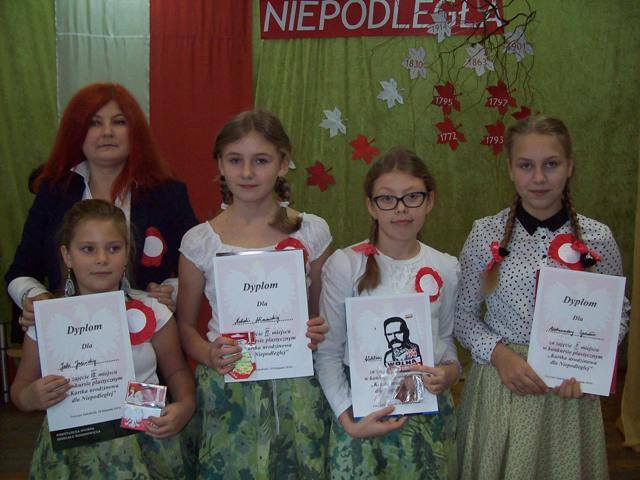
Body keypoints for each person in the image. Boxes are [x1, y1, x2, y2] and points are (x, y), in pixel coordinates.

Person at [454, 115, 630, 479]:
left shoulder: (597, 238)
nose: (538, 178)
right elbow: (462, 316)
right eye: (526, 166)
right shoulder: (485, 233)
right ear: (510, 169)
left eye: (551, 164)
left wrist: (589, 364)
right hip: (503, 386)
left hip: (568, 395)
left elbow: (618, 313)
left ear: (569, 167)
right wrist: (499, 355)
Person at [177, 109, 332, 478]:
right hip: (228, 387)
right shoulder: (200, 241)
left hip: (298, 387)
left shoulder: (312, 231)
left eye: (260, 160)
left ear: (283, 163)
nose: (247, 172)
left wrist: (317, 329)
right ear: (220, 164)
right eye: (235, 160)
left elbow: (320, 314)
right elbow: (184, 326)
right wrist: (208, 353)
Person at [10, 199, 195, 479]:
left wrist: (185, 404)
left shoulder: (153, 311)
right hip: (73, 442)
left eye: (113, 248)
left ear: (127, 253)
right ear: (67, 255)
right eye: (88, 249)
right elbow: (21, 387)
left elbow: (177, 371)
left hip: (145, 438)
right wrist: (31, 396)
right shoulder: (47, 319)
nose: (101, 259)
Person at [316, 147, 460, 478]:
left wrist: (451, 373)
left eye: (412, 196)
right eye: (387, 199)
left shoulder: (445, 266)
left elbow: (445, 340)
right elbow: (328, 354)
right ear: (371, 205)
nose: (401, 208)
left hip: (427, 417)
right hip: (361, 416)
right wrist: (348, 419)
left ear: (430, 200)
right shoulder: (345, 265)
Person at [6, 82, 198, 329]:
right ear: (76, 132)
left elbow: (197, 266)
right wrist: (33, 297)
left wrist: (173, 290)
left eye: (119, 122)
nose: (107, 132)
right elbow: (20, 271)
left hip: (149, 337)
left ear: (135, 131)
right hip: (72, 331)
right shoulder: (54, 192)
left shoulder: (168, 193)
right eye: (94, 123)